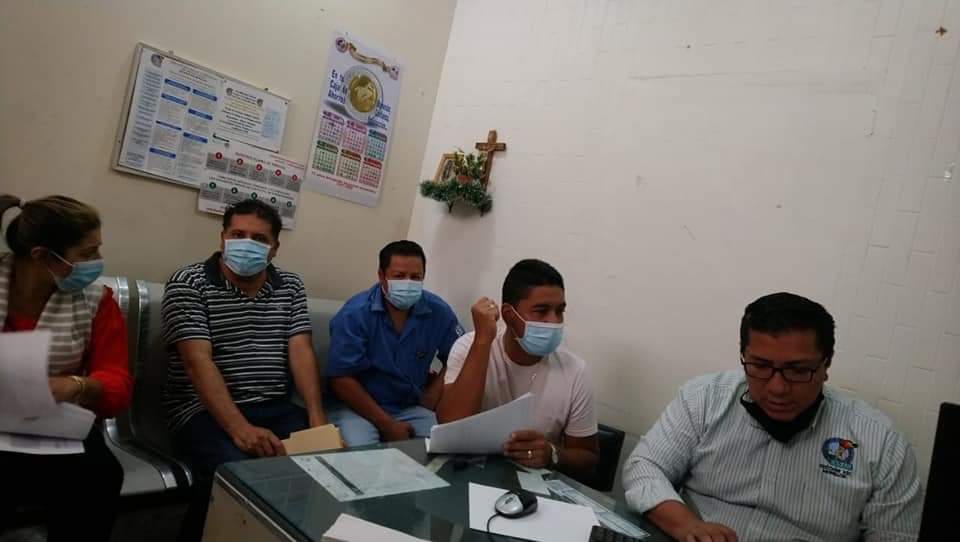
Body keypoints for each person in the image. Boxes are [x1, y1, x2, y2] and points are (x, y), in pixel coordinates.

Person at [622, 292, 923, 542]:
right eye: (760, 366)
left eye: (798, 370)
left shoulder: (881, 444)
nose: (777, 388)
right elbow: (644, 466)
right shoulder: (704, 398)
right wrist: (688, 526)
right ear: (744, 355)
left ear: (826, 364)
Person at [162, 198, 326, 541]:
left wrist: (316, 419)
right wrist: (239, 429)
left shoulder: (290, 286)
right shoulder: (189, 282)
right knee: (235, 476)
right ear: (223, 237)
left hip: (275, 406)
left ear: (275, 248)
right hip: (202, 411)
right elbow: (197, 362)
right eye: (238, 234)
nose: (247, 244)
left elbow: (301, 350)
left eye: (260, 239)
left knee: (321, 466)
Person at [0, 194, 132, 541]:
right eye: (88, 254)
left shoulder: (97, 301)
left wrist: (77, 385)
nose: (98, 262)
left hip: (55, 426)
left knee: (99, 477)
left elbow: (117, 383)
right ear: (42, 256)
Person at [436, 259, 598, 477]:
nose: (554, 321)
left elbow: (588, 458)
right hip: (468, 472)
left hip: (532, 482)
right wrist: (483, 341)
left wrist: (552, 454)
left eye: (559, 311)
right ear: (509, 315)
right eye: (541, 311)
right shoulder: (470, 346)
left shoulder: (575, 371)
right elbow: (450, 424)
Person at [325, 241, 463, 446]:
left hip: (408, 406)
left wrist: (432, 396)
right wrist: (387, 424)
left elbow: (460, 356)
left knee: (449, 445)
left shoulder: (438, 311)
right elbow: (341, 379)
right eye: (399, 276)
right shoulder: (355, 313)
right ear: (382, 276)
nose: (408, 283)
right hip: (356, 408)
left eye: (415, 277)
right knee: (361, 453)